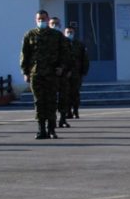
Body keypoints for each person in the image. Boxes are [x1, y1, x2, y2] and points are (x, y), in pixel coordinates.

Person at [20, 9, 71, 140]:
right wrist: (25, 72)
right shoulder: (29, 35)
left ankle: (52, 129)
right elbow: (24, 55)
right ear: (36, 20)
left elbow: (65, 53)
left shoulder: (56, 35)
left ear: (48, 20)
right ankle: (41, 129)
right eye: (39, 19)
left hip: (52, 73)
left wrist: (61, 67)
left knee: (51, 101)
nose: (41, 21)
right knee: (39, 102)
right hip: (36, 74)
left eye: (44, 19)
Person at [63, 22, 90, 119]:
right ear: (64, 33)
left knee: (75, 92)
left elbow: (85, 58)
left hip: (76, 73)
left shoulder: (79, 44)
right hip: (64, 73)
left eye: (71, 32)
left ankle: (75, 110)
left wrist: (84, 71)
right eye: (67, 32)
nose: (69, 34)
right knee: (65, 93)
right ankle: (67, 111)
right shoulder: (61, 44)